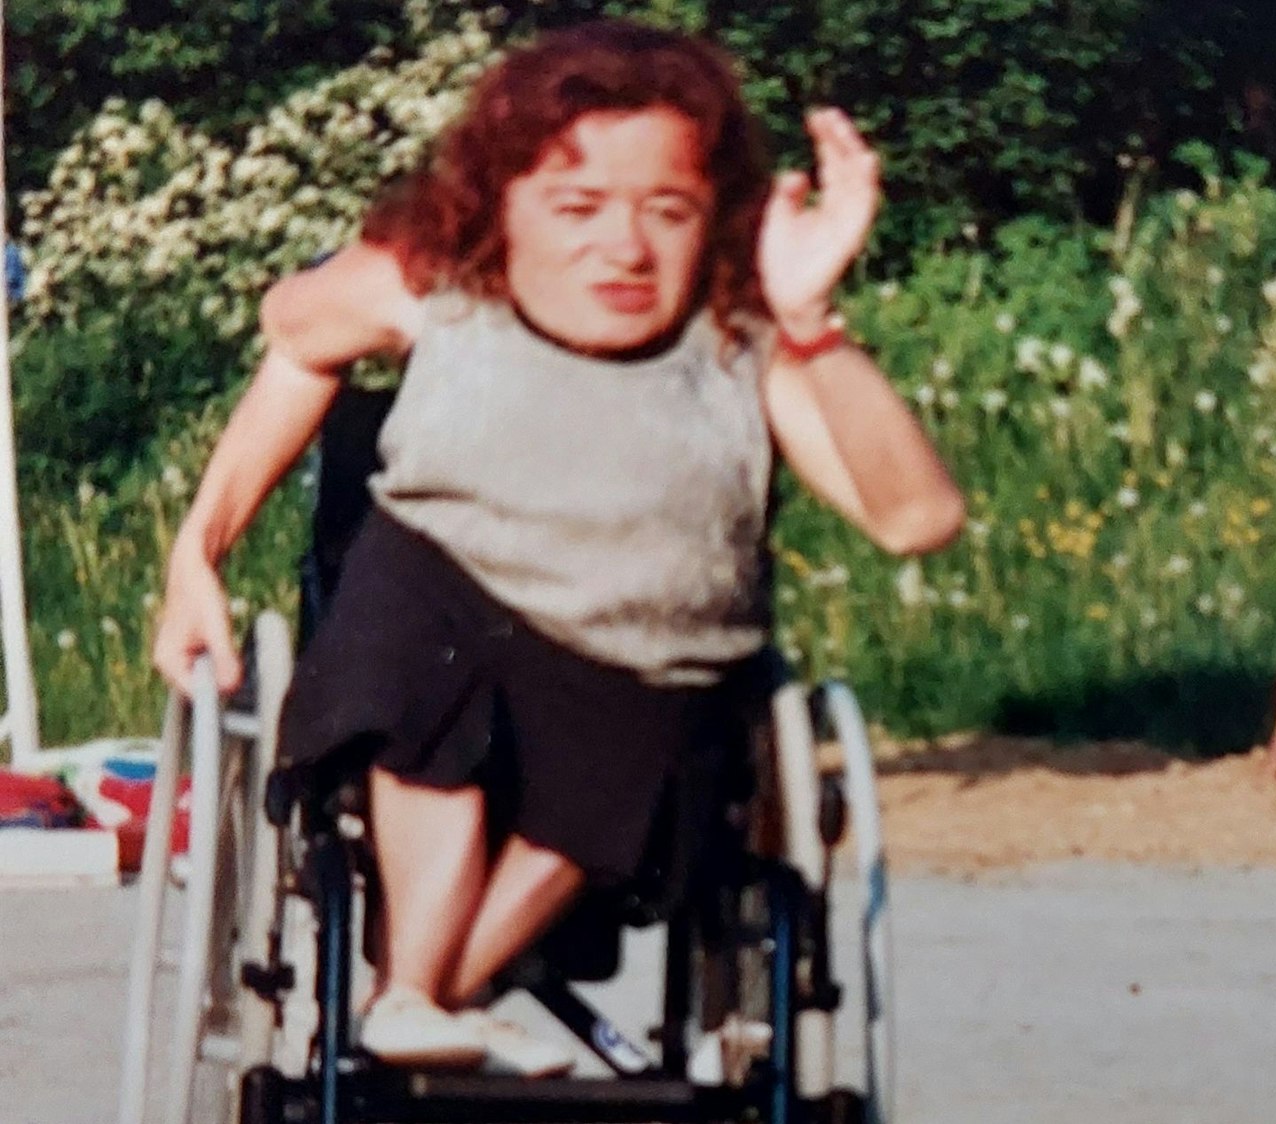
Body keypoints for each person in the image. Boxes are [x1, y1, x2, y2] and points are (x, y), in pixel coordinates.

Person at [149, 21, 963, 1078]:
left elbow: (913, 517)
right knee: (421, 654)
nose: (623, 249)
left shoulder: (739, 337)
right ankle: (417, 991)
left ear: (713, 215)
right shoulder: (443, 280)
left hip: (643, 673)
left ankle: (421, 993)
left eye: (665, 211)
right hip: (436, 630)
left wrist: (809, 321)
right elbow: (298, 336)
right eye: (576, 208)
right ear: (501, 207)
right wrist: (195, 555)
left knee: (638, 731)